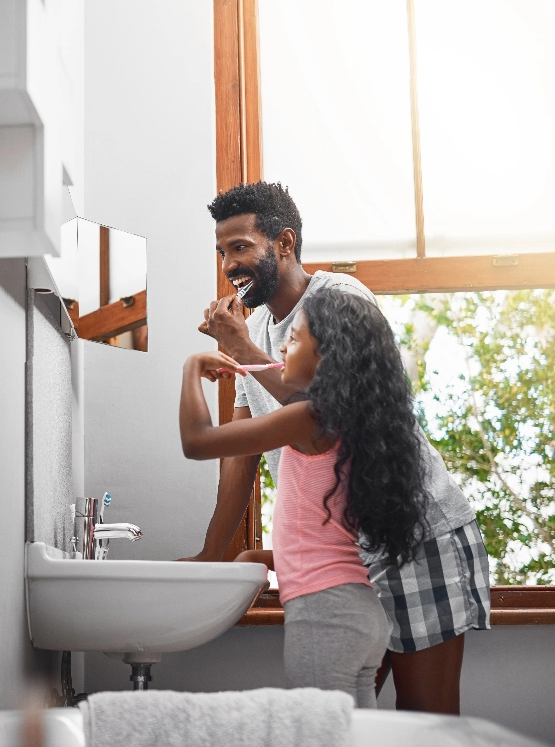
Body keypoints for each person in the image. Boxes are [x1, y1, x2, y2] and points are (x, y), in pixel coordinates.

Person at [184, 181, 491, 713]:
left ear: (283, 242)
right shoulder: (255, 323)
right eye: (222, 252)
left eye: (240, 247)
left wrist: (236, 345)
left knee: (425, 722)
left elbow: (329, 409)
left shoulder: (339, 299)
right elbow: (241, 451)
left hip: (414, 532)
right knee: (339, 720)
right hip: (347, 552)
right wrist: (214, 554)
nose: (230, 265)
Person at [180, 288, 430, 707]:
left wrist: (191, 367)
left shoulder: (310, 417)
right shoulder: (347, 423)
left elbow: (197, 442)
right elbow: (323, 542)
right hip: (362, 613)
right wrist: (259, 558)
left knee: (315, 733)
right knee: (351, 737)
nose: (281, 345)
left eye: (294, 338)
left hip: (326, 616)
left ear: (328, 358)